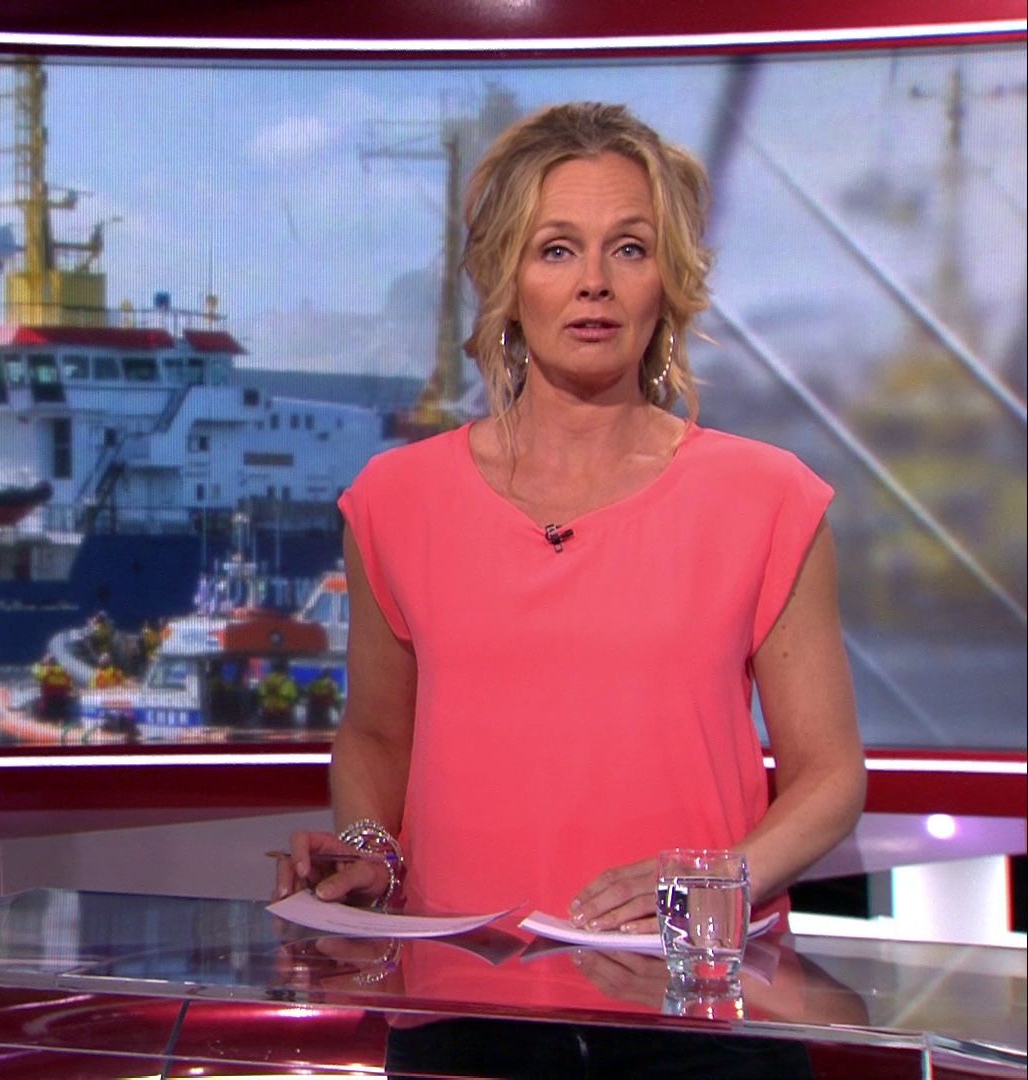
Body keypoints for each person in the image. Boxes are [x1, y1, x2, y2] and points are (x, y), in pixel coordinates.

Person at [275, 102, 865, 937]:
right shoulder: (396, 500)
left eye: (630, 249)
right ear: (508, 282)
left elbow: (829, 774)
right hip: (460, 975)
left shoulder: (767, 498)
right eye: (557, 249)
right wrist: (373, 850)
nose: (596, 283)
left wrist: (720, 881)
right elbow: (376, 735)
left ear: (668, 281)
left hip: (687, 978)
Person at [31, 653, 74, 719]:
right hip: (62, 702)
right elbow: (70, 687)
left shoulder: (47, 671)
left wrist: (40, 663)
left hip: (48, 702)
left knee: (36, 706)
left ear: (49, 663)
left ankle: (42, 720)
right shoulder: (65, 672)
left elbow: (35, 672)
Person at [257, 660, 300, 725]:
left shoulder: (265, 680)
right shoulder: (288, 682)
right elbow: (294, 698)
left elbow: (261, 695)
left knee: (267, 728)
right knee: (281, 729)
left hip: (267, 711)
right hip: (282, 712)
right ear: (284, 669)